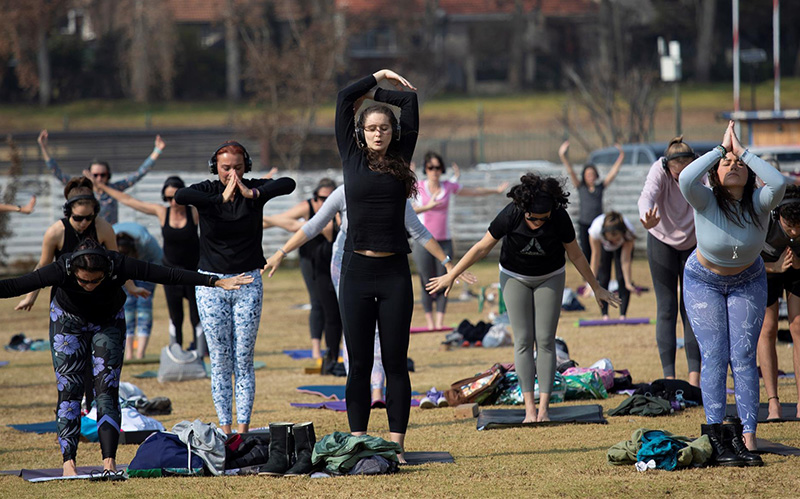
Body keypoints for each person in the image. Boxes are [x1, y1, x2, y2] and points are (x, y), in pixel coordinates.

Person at [0, 238, 251, 478]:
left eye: (96, 281)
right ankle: (69, 463)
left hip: (108, 322)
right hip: (68, 322)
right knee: (69, 390)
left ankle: (109, 462)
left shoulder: (118, 264)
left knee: (107, 389)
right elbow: (17, 284)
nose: (90, 285)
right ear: (74, 271)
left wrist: (214, 281)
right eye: (84, 281)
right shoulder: (61, 268)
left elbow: (167, 274)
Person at [427, 173, 619, 422]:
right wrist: (452, 274)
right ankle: (529, 409)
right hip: (514, 276)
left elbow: (577, 255)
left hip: (550, 276)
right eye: (533, 218)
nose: (538, 223)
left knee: (546, 340)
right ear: (524, 209)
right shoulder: (512, 213)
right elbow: (481, 247)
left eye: (543, 219)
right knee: (523, 340)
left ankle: (544, 409)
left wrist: (596, 287)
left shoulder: (559, 216)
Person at [264, 184, 468, 403]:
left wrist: (447, 263)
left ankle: (377, 390)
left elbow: (417, 229)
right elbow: (313, 225)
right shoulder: (345, 191)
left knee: (380, 330)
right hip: (345, 263)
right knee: (354, 327)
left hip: (384, 265)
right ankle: (357, 389)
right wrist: (281, 252)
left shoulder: (393, 190)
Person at [679, 120, 786, 463]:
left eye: (739, 164)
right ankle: (716, 436)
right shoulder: (704, 199)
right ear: (714, 172)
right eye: (726, 165)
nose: (734, 166)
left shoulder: (760, 202)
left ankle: (747, 436)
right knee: (714, 356)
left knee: (742, 357)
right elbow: (684, 177)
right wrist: (720, 150)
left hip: (748, 279)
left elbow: (780, 181)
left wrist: (743, 151)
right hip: (703, 281)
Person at [174, 140, 295, 435]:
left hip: (248, 281)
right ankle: (225, 430)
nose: (232, 174)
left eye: (238, 168)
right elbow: (180, 195)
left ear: (247, 167)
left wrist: (252, 192)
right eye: (226, 168)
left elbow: (288, 183)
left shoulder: (253, 192)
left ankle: (242, 431)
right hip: (212, 283)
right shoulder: (207, 191)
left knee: (243, 358)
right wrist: (218, 200)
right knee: (219, 358)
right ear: (215, 168)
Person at [335, 69, 420, 460]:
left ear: (393, 132)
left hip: (394, 274)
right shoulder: (351, 157)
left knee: (395, 362)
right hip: (356, 272)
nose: (378, 133)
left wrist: (386, 92)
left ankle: (397, 445)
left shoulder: (401, 157)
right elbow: (342, 99)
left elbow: (410, 102)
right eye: (371, 127)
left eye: (384, 127)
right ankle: (357, 440)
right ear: (361, 133)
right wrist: (375, 77)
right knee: (359, 363)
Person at [91, 176, 202, 352]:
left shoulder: (194, 213)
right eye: (167, 198)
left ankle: (200, 350)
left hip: (193, 271)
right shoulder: (162, 212)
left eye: (175, 197)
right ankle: (177, 352)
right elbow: (129, 200)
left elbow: (218, 204)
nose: (172, 202)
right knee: (176, 316)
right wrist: (102, 186)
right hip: (171, 273)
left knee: (197, 316)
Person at [411, 151, 508, 330]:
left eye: (438, 167)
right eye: (430, 167)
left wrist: (495, 190)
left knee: (447, 278)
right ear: (425, 169)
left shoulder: (448, 187)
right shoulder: (419, 187)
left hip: (444, 241)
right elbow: (409, 213)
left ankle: (440, 322)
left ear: (442, 169)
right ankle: (430, 323)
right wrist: (428, 207)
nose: (434, 171)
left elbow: (473, 192)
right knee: (426, 281)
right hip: (423, 242)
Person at [638, 137, 701, 386]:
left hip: (693, 240)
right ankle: (670, 378)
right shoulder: (659, 170)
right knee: (666, 308)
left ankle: (694, 381)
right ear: (668, 164)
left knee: (692, 309)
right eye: (678, 166)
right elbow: (646, 196)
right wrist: (646, 217)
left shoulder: (699, 172)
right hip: (660, 238)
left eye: (687, 163)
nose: (682, 170)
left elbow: (713, 193)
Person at [15, 177, 124, 312]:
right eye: (78, 218)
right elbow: (43, 266)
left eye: (89, 217)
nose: (84, 222)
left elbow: (118, 262)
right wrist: (30, 297)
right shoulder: (55, 232)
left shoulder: (103, 228)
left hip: (98, 296)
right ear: (68, 212)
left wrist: (132, 288)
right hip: (65, 299)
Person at [263, 178, 339, 363]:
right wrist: (255, 220)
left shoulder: (337, 215)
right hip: (310, 259)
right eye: (322, 198)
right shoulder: (308, 207)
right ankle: (316, 348)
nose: (325, 202)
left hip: (332, 260)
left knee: (335, 307)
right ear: (315, 198)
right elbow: (284, 220)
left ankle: (336, 348)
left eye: (330, 198)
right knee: (316, 302)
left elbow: (294, 225)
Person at [38, 129, 164, 224]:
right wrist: (44, 148)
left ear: (108, 175)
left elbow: (138, 174)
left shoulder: (114, 189)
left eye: (103, 175)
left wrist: (157, 151)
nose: (98, 178)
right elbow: (57, 173)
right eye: (95, 175)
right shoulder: (83, 190)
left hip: (110, 234)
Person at [757, 185, 800, 420]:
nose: (793, 232)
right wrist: (775, 267)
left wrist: (797, 265)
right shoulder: (763, 219)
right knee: (768, 328)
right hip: (767, 268)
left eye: (798, 227)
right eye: (788, 226)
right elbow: (743, 262)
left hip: (797, 269)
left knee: (797, 327)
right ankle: (773, 402)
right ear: (778, 215)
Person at [558, 140, 624, 261]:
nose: (590, 176)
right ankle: (587, 278)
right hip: (584, 223)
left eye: (592, 174)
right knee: (586, 251)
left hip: (599, 224)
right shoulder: (580, 187)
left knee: (600, 252)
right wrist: (563, 156)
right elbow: (570, 171)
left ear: (596, 175)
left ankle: (599, 275)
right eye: (588, 174)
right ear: (584, 176)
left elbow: (612, 174)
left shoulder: (600, 187)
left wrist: (621, 156)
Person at [113, 223, 164, 360]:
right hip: (121, 270)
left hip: (147, 266)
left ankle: (140, 353)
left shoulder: (146, 242)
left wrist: (149, 280)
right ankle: (128, 354)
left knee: (144, 308)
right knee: (126, 307)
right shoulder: (109, 240)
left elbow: (159, 260)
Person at [587, 211, 637, 320]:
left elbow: (626, 261)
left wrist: (628, 283)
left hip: (622, 249)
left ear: (622, 234)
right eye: (611, 239)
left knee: (621, 279)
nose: (614, 242)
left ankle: (623, 315)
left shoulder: (629, 232)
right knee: (604, 277)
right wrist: (591, 283)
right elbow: (595, 257)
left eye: (617, 239)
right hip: (604, 248)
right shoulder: (595, 230)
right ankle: (605, 315)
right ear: (605, 234)